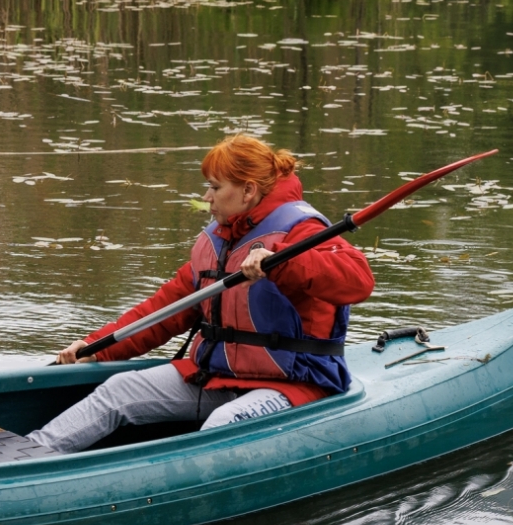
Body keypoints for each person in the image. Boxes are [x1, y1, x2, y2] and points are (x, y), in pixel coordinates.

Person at [28, 134, 374, 454]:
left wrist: (283, 264)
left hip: (296, 384)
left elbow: (359, 281)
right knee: (117, 391)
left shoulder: (303, 230)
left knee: (220, 428)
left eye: (215, 187)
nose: (206, 197)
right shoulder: (220, 240)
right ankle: (23, 460)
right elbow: (163, 311)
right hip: (222, 376)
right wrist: (95, 349)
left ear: (248, 190)